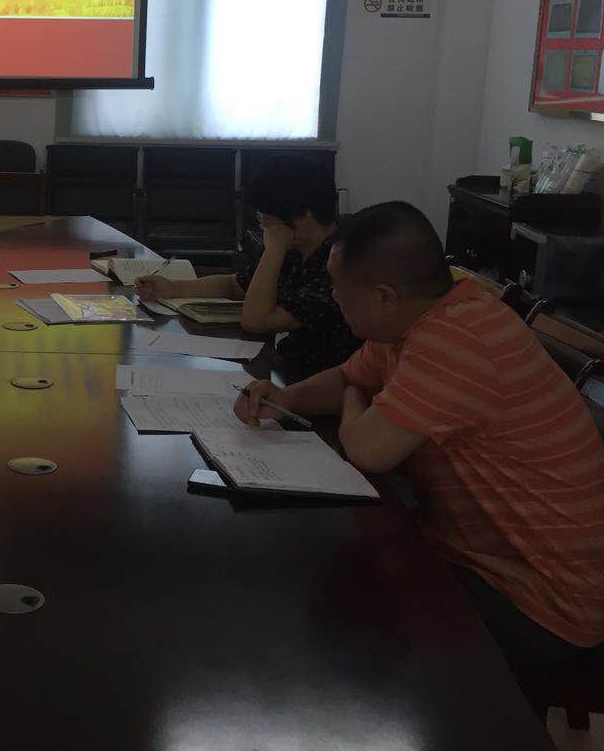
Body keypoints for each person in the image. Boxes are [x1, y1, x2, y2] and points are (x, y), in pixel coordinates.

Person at [236, 201, 604, 663]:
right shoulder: (418, 319)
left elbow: (368, 449)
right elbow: (350, 376)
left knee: (332, 618)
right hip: (478, 557)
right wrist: (286, 398)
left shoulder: (457, 337)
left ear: (383, 297)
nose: (332, 296)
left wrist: (352, 401)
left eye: (337, 286)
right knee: (326, 576)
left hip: (543, 601)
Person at [137, 154, 359, 376]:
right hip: (285, 364)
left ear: (304, 216)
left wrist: (273, 251)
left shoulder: (338, 265)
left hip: (317, 378)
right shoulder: (294, 248)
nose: (262, 225)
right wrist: (173, 288)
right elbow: (234, 285)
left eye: (265, 216)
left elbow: (257, 321)